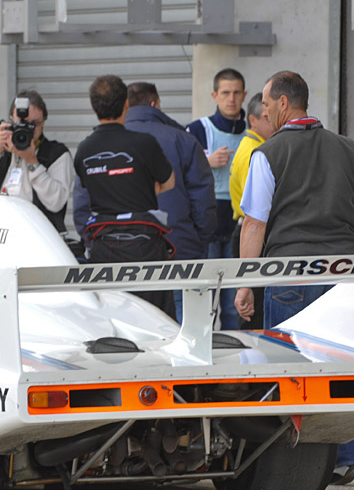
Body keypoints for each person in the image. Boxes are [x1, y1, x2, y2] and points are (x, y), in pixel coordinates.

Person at [235, 71, 354, 485]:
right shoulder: (346, 148)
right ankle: (348, 454)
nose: (261, 109)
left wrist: (247, 283)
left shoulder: (269, 153)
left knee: (291, 368)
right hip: (337, 274)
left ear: (283, 103)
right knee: (339, 365)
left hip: (289, 273)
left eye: (265, 101)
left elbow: (253, 225)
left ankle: (294, 456)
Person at [72, 75, 175, 313]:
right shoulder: (144, 143)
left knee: (111, 320)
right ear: (126, 104)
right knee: (156, 321)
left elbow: (89, 187)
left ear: (94, 107)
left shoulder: (84, 149)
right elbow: (170, 182)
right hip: (145, 249)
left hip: (103, 250)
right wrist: (145, 186)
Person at [117, 81, 215, 318]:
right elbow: (203, 199)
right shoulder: (184, 139)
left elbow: (84, 203)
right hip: (181, 250)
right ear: (155, 104)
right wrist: (198, 241)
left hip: (122, 254)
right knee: (185, 331)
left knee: (135, 330)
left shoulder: (105, 142)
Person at [0, 89, 75, 239]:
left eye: (34, 124)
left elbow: (56, 202)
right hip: (2, 239)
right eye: (22, 123)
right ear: (10, 121)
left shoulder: (56, 154)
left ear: (43, 122)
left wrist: (32, 162)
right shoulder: (2, 152)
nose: (27, 129)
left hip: (40, 241)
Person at [186, 69, 247, 329]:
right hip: (207, 220)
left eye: (236, 93)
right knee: (205, 296)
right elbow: (178, 170)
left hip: (242, 223)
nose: (231, 99)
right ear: (214, 95)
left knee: (235, 302)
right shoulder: (198, 129)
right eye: (225, 93)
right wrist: (206, 162)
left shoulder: (253, 131)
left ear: (244, 95)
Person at [227, 92, 274, 329]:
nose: (274, 122)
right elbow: (256, 212)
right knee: (252, 312)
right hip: (252, 234)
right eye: (267, 117)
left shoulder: (257, 147)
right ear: (253, 120)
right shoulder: (254, 153)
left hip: (251, 231)